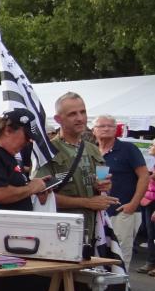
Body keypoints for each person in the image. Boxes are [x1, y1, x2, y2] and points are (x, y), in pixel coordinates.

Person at [35, 93, 118, 244]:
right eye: (72, 114)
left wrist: (104, 187)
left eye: (83, 112)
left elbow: (103, 185)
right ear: (58, 119)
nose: (80, 118)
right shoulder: (47, 151)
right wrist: (87, 202)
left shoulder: (93, 149)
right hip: (60, 233)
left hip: (92, 231)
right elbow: (42, 197)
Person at [93, 115, 149, 268]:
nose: (106, 128)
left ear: (116, 129)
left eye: (110, 126)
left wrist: (133, 204)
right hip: (98, 211)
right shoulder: (92, 150)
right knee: (99, 253)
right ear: (94, 130)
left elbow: (144, 176)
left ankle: (121, 289)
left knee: (121, 254)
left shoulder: (128, 149)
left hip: (122, 210)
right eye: (102, 126)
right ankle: (102, 289)